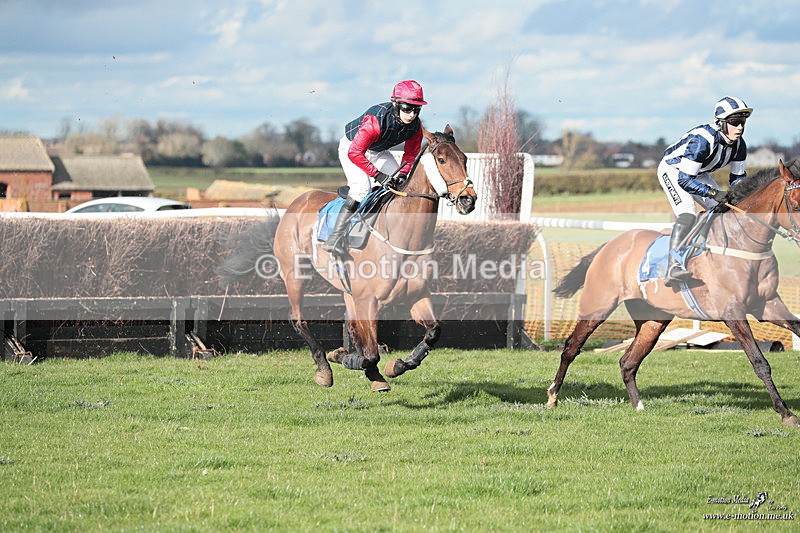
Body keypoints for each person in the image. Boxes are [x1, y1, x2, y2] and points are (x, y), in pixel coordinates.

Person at [323, 80, 427, 255]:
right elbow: (355, 153)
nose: (411, 115)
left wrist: (402, 174)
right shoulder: (375, 121)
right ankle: (335, 238)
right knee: (361, 189)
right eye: (407, 108)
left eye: (416, 110)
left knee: (399, 184)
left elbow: (410, 154)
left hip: (378, 151)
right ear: (396, 104)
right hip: (352, 148)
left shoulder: (416, 127)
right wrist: (377, 175)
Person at [658, 96, 752, 286]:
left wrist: (738, 200)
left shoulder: (740, 145)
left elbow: (737, 180)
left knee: (726, 211)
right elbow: (684, 180)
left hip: (698, 173)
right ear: (722, 123)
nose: (740, 127)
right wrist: (712, 193)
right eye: (734, 122)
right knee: (687, 212)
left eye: (742, 122)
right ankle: (673, 265)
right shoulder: (702, 141)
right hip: (674, 171)